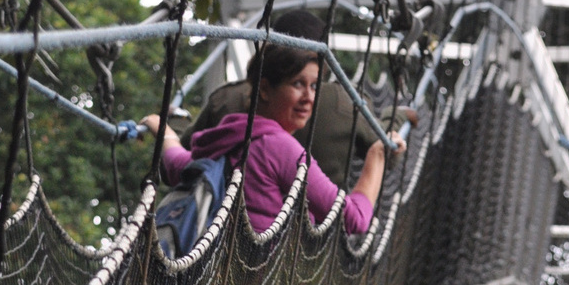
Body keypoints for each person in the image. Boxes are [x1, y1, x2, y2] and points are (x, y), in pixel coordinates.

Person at [144, 43, 405, 235]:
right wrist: (377, 155)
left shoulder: (227, 135)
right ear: (266, 90)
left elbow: (179, 164)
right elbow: (355, 219)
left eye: (314, 86)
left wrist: (162, 130)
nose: (309, 97)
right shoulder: (282, 149)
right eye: (297, 84)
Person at [178, 9, 415, 188]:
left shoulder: (227, 99)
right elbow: (385, 152)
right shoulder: (344, 102)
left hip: (226, 240)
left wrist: (174, 120)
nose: (307, 97)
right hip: (314, 244)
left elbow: (182, 155)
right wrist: (396, 117)